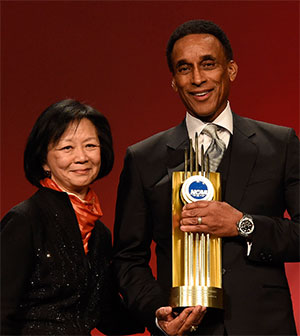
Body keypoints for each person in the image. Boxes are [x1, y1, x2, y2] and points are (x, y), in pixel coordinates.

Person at [112, 19, 300, 335]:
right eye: (184, 69)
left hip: (264, 326)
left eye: (208, 64)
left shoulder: (279, 144)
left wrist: (243, 225)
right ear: (173, 81)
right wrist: (158, 315)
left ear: (231, 70)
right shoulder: (143, 158)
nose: (198, 78)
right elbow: (128, 259)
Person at [1, 99, 144, 335]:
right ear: (44, 160)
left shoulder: (99, 235)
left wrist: (161, 314)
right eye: (67, 148)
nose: (81, 157)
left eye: (90, 146)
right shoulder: (25, 220)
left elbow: (108, 315)